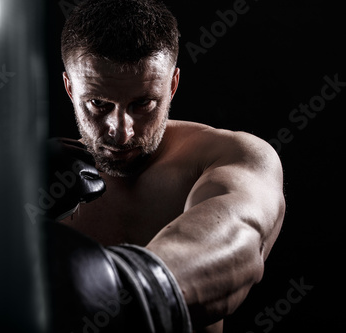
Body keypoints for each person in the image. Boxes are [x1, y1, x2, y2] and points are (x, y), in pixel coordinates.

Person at [47, 0, 285, 332]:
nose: (121, 129)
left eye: (142, 103)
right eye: (98, 104)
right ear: (71, 88)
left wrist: (112, 294)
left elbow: (238, 250)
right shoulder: (36, 177)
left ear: (171, 86)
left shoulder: (228, 156)